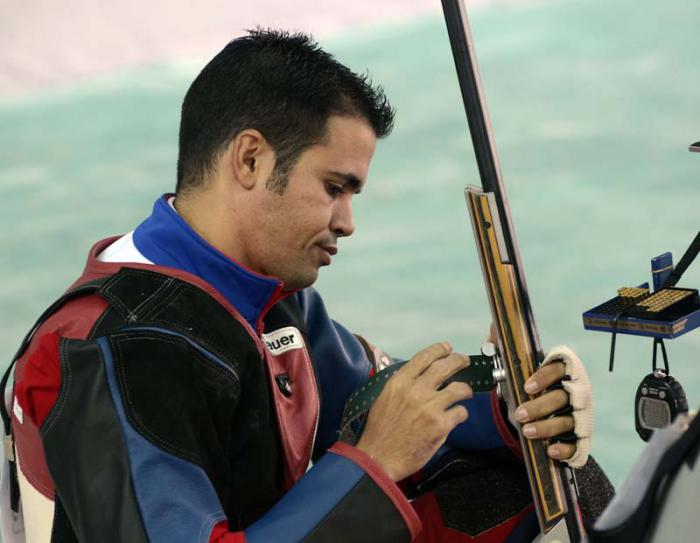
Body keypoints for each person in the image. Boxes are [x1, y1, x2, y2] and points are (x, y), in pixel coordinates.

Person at [3, 30, 600, 542]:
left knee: (534, 484)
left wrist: (515, 405)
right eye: (334, 188)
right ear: (250, 160)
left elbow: (370, 399)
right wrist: (371, 464)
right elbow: (376, 439)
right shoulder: (110, 348)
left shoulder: (263, 295)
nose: (347, 222)